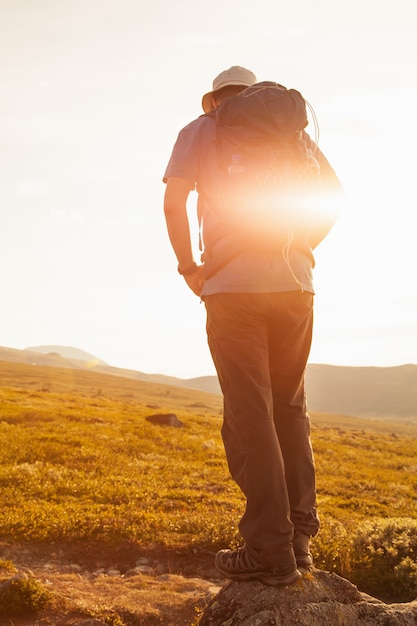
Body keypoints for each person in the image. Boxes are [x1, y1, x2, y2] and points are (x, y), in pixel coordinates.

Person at [163, 66, 343, 586]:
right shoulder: (294, 134)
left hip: (232, 290)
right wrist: (300, 252)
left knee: (250, 414)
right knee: (290, 408)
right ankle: (301, 540)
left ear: (213, 101)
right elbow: (332, 198)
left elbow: (175, 200)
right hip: (296, 288)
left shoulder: (201, 130)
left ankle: (270, 550)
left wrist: (189, 268)